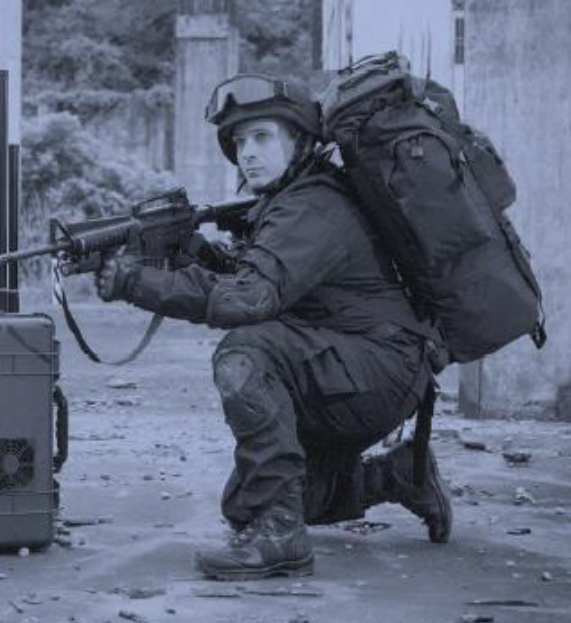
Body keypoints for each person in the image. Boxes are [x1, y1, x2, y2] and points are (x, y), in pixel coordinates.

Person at [95, 74, 453, 581]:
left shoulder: (314, 206)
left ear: (300, 140)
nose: (247, 153)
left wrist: (135, 282)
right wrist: (192, 256)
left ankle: (282, 537)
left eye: (262, 137)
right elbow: (258, 276)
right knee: (245, 504)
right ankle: (398, 476)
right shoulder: (288, 201)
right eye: (240, 141)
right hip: (353, 366)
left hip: (379, 367)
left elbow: (251, 299)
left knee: (247, 353)